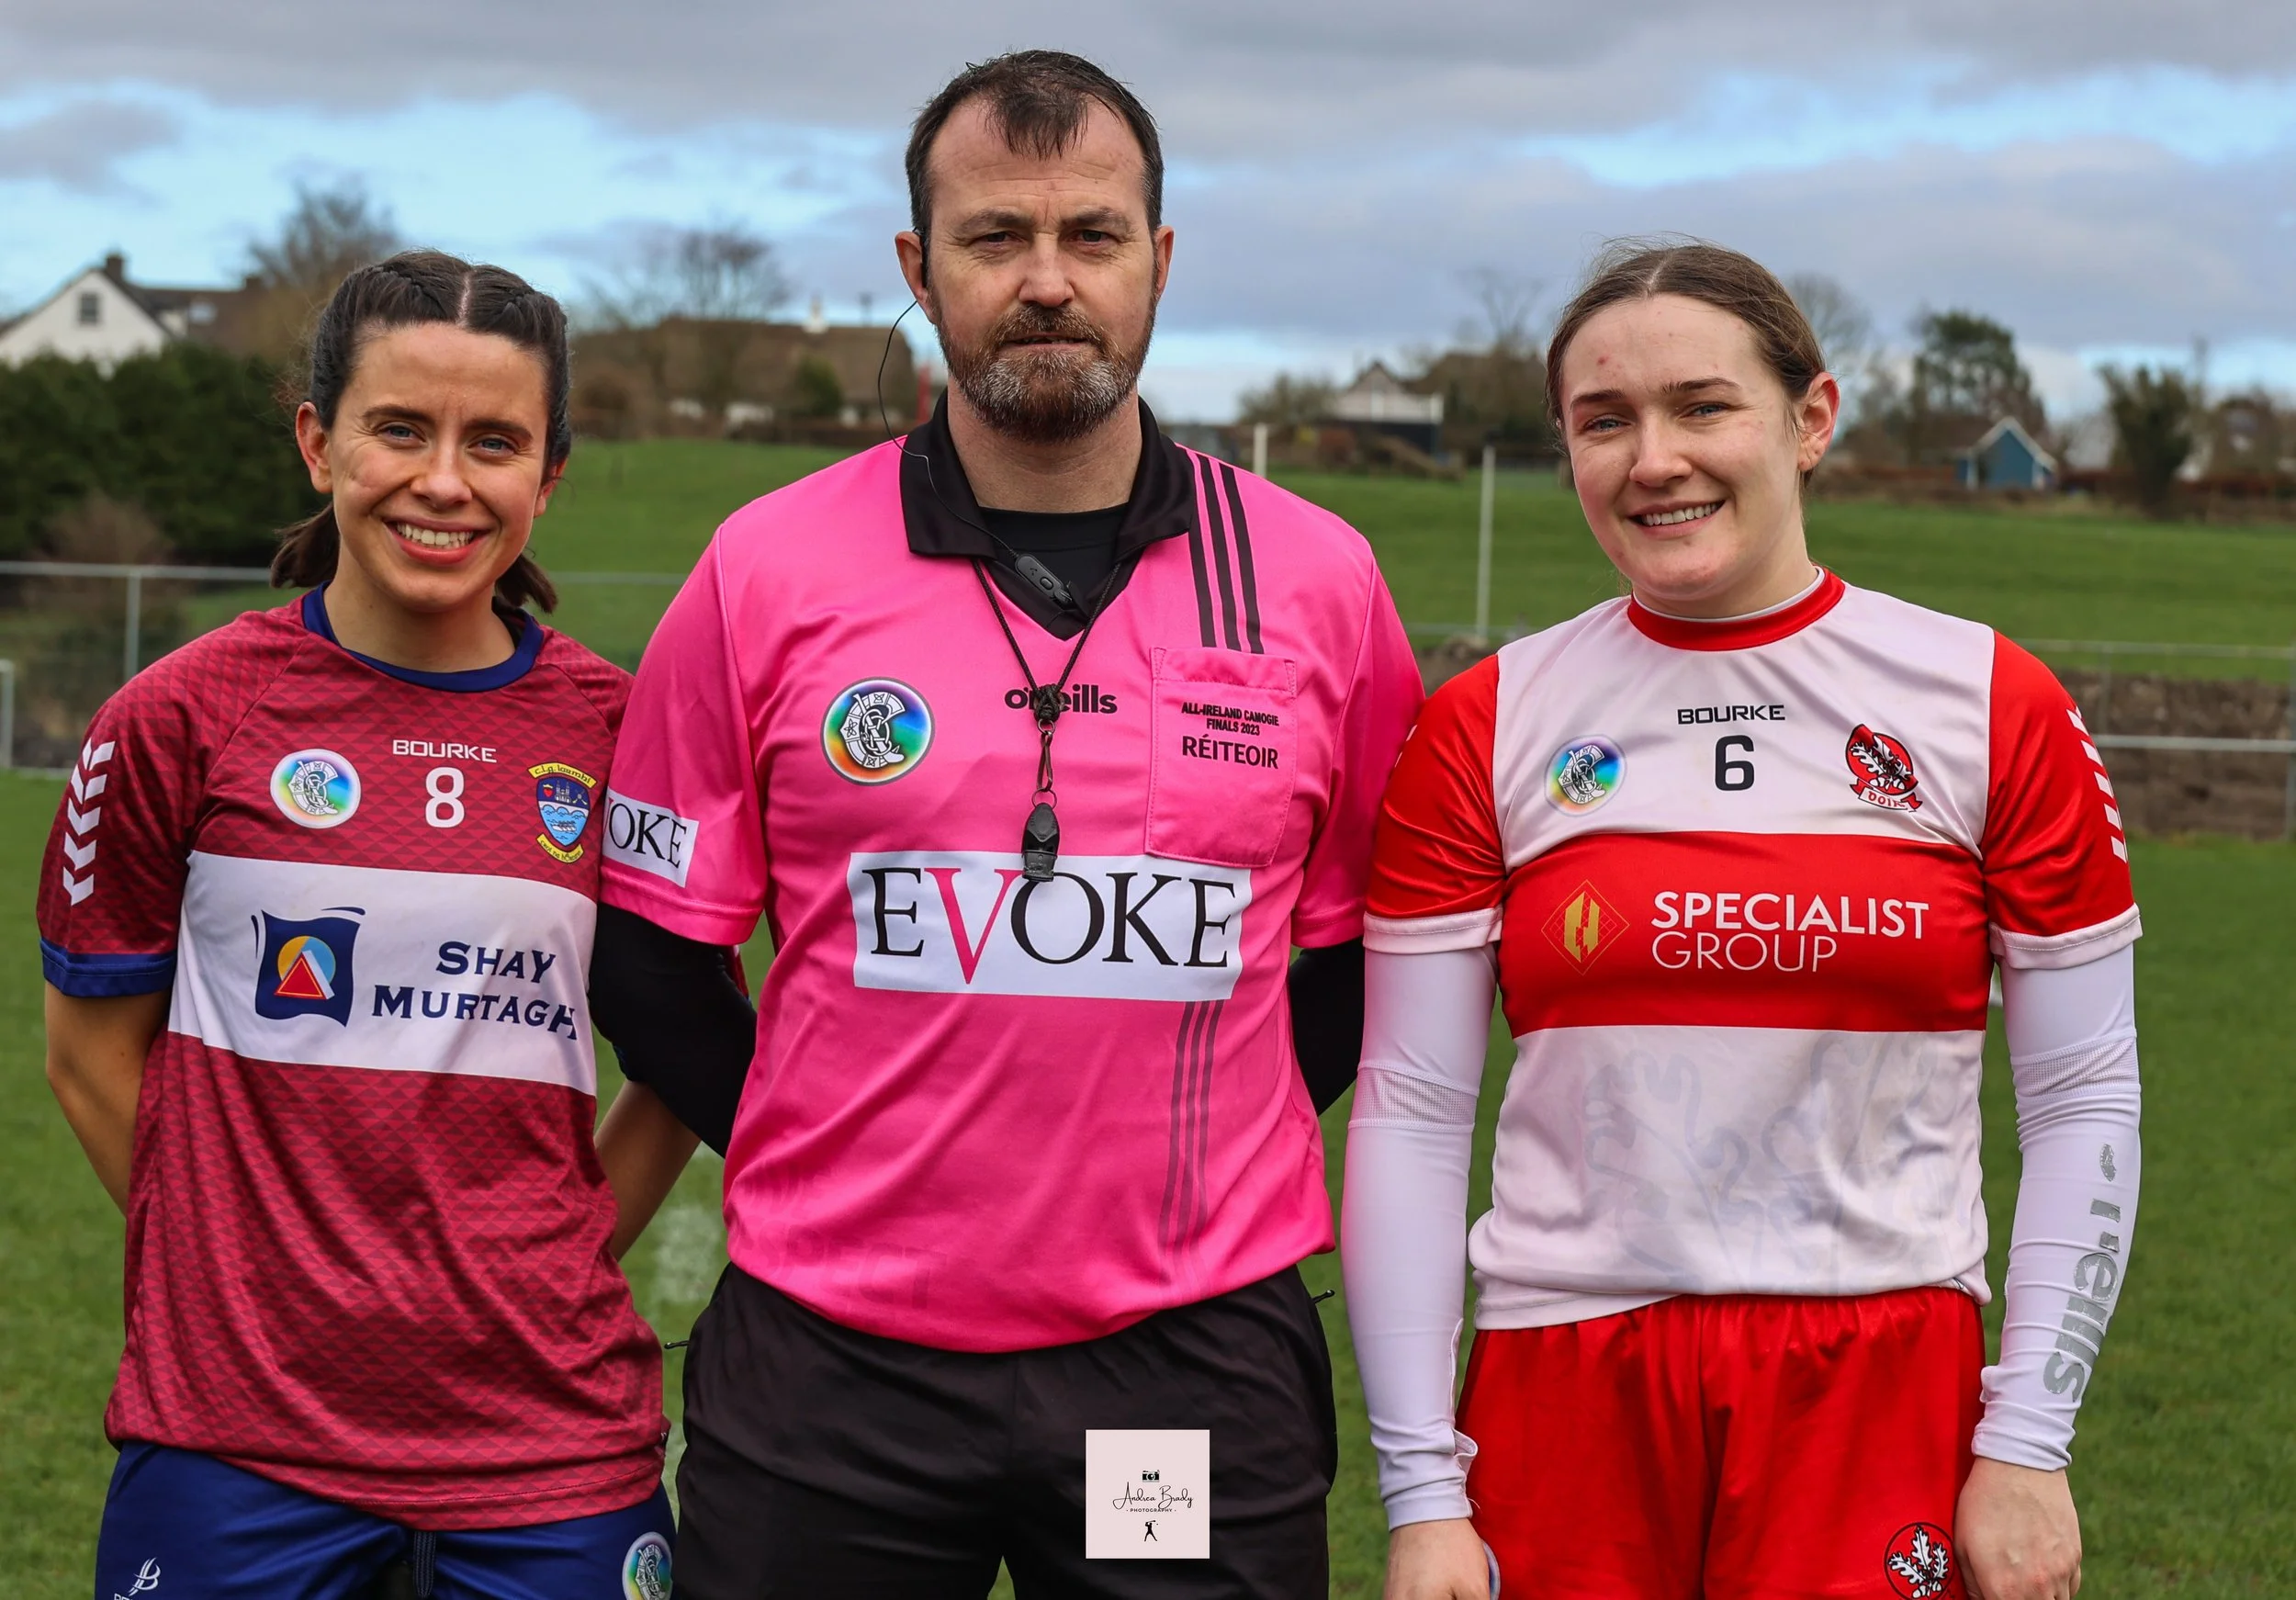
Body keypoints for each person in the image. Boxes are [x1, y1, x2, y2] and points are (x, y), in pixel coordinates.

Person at [586, 50, 1421, 1598]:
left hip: (1172, 1370)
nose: (1048, 282)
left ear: (1159, 261)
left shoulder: (1317, 578)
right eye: (994, 240)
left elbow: (1352, 962)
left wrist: (1186, 1149)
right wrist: (840, 1144)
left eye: (1093, 237)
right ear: (918, 269)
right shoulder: (764, 566)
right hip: (839, 1371)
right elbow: (647, 963)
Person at [1342, 241, 2140, 1600]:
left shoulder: (1991, 703)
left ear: (1809, 418)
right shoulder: (1484, 723)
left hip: (1881, 1375)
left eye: (1703, 406)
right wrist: (1424, 1486)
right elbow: (1412, 1111)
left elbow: (2083, 1098)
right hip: (1565, 1377)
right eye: (1606, 421)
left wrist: (2029, 1437)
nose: (1654, 458)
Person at [39, 251, 697, 1600]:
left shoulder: (621, 734)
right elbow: (86, 1050)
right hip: (236, 1441)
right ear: (317, 439)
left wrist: (562, 1252)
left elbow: (684, 1054)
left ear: (549, 476)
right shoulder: (179, 716)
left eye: (494, 441)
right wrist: (237, 1273)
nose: (444, 480)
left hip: (549, 1444)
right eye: (400, 427)